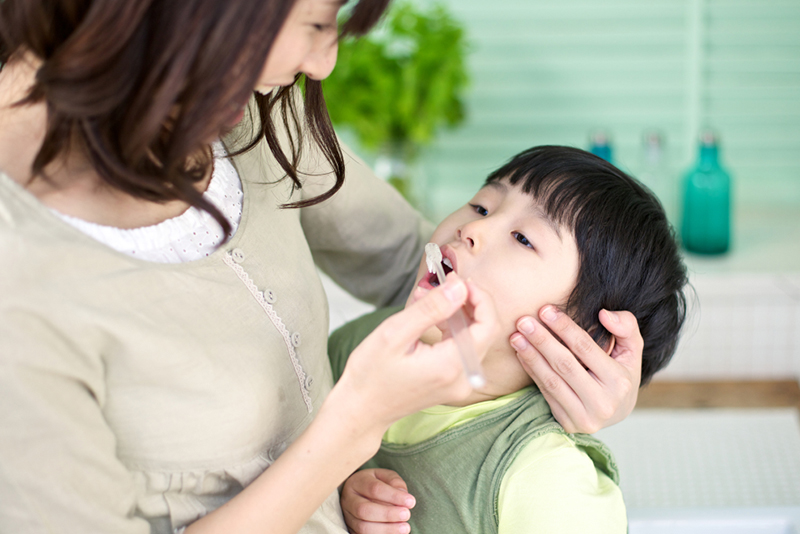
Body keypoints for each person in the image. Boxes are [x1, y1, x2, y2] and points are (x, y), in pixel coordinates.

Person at [0, 1, 644, 533]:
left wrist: (582, 376)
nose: (324, 61)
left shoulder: (245, 107)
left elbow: (419, 266)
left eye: (524, 238)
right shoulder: (22, 286)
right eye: (315, 22)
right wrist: (349, 439)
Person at [329, 146, 689, 534]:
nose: (472, 230)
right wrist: (338, 496)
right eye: (482, 207)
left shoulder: (548, 480)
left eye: (522, 238)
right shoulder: (356, 345)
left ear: (579, 342)